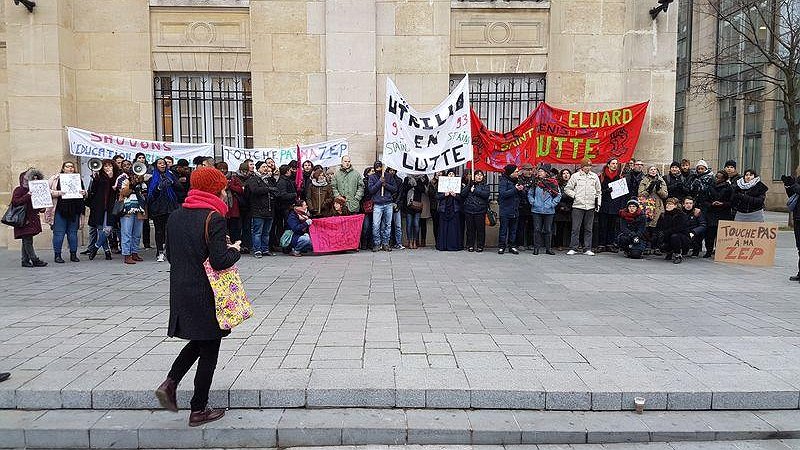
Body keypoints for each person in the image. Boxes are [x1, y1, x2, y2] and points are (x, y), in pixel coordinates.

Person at [155, 167, 240, 427]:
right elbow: (220, 260)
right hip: (207, 292)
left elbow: (170, 254)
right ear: (216, 189)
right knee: (210, 347)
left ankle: (170, 383)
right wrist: (235, 249)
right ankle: (198, 409)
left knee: (200, 341)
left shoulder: (176, 216)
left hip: (181, 288)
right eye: (223, 188)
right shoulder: (213, 217)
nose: (225, 192)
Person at [45, 161, 85, 263]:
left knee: (73, 233)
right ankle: (57, 255)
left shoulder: (78, 178)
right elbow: (46, 190)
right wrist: (58, 193)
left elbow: (84, 193)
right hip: (60, 210)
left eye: (72, 167)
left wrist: (84, 192)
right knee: (59, 233)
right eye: (67, 167)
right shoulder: (55, 178)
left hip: (74, 210)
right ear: (63, 169)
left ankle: (73, 254)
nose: (70, 168)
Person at [564, 158, 601, 256]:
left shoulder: (594, 177)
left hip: (591, 206)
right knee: (575, 228)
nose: (588, 168)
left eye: (589, 166)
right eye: (586, 166)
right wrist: (575, 195)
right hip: (578, 206)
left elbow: (598, 192)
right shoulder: (575, 176)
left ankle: (587, 248)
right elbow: (567, 189)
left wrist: (598, 204)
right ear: (582, 166)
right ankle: (573, 247)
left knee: (588, 228)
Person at [11, 168, 48, 267]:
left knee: (26, 240)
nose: (34, 180)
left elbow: (37, 204)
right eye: (32, 178)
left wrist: (42, 207)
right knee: (28, 240)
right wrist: (28, 195)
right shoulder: (19, 190)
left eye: (36, 178)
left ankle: (25, 260)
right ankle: (34, 259)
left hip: (32, 218)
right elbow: (15, 202)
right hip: (23, 219)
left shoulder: (36, 189)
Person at [148, 158, 181, 262]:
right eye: (160, 164)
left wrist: (172, 183)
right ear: (156, 165)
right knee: (159, 231)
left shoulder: (170, 175)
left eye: (164, 164)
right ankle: (160, 251)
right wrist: (158, 188)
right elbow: (150, 196)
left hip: (170, 207)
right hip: (157, 208)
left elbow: (180, 188)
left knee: (169, 230)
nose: (162, 165)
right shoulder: (152, 178)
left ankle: (169, 251)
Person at [86, 160, 118, 261]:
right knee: (100, 229)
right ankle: (107, 251)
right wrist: (95, 177)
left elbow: (116, 189)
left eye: (110, 166)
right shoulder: (98, 177)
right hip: (99, 207)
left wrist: (111, 177)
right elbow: (93, 190)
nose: (107, 168)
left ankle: (95, 247)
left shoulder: (116, 177)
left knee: (107, 230)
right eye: (105, 166)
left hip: (111, 207)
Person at [246, 161, 278, 258]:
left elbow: (275, 189)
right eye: (263, 167)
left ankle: (265, 249)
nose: (265, 168)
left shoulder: (269, 179)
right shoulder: (253, 179)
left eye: (266, 167)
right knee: (257, 232)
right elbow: (255, 190)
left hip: (269, 210)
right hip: (258, 210)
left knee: (266, 232)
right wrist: (268, 189)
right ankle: (257, 250)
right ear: (258, 168)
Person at [116, 164, 146, 264]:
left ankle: (134, 252)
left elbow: (144, 193)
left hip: (139, 208)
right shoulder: (123, 179)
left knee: (137, 233)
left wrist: (140, 182)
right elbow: (123, 193)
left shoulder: (141, 179)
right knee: (127, 232)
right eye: (126, 165)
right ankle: (126, 254)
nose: (128, 167)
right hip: (127, 208)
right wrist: (132, 184)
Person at [528, 164, 561, 255]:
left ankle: (548, 248)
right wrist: (533, 201)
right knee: (537, 229)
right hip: (536, 209)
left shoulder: (553, 182)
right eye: (539, 171)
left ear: (546, 173)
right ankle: (536, 248)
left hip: (549, 210)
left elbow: (558, 195)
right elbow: (530, 194)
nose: (539, 173)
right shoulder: (535, 182)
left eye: (541, 171)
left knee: (548, 230)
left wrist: (552, 204)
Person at [702, 170, 734, 258]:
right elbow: (705, 200)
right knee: (710, 234)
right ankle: (709, 250)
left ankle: (721, 251)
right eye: (716, 176)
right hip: (711, 213)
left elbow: (731, 202)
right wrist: (711, 204)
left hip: (723, 213)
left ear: (724, 179)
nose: (716, 178)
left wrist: (722, 204)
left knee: (721, 234)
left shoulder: (729, 188)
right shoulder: (710, 187)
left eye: (719, 177)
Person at [597, 158, 625, 253]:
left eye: (616, 164)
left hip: (614, 205)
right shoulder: (601, 177)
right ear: (608, 165)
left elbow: (622, 194)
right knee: (602, 225)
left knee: (612, 226)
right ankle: (601, 244)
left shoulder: (620, 177)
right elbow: (597, 191)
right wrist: (606, 191)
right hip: (604, 204)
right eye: (613, 163)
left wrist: (621, 206)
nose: (615, 165)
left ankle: (609, 244)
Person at [368, 161, 397, 252]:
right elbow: (371, 190)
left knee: (387, 225)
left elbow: (395, 189)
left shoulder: (388, 176)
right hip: (377, 204)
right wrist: (380, 182)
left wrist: (386, 185)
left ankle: (385, 243)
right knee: (376, 225)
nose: (378, 168)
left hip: (388, 203)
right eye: (377, 167)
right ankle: (377, 243)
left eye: (380, 167)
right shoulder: (372, 177)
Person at [462, 170, 489, 252]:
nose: (479, 177)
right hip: (469, 210)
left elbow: (486, 195)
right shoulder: (470, 185)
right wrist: (469, 186)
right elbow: (463, 194)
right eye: (477, 175)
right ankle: (470, 245)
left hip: (480, 210)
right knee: (470, 229)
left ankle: (480, 245)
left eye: (481, 175)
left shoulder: (485, 186)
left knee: (480, 229)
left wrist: (476, 191)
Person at [656, 197, 690, 264]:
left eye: (670, 204)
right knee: (660, 238)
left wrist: (666, 233)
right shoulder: (663, 215)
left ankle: (678, 255)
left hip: (681, 237)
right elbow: (659, 227)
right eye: (667, 204)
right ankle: (669, 251)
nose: (667, 205)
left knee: (674, 237)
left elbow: (679, 228)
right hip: (667, 235)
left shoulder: (681, 215)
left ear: (675, 206)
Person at [435, 172, 462, 251]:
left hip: (454, 210)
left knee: (453, 228)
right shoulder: (441, 184)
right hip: (444, 209)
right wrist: (444, 195)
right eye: (449, 174)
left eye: (452, 174)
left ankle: (453, 246)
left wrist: (455, 195)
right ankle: (443, 246)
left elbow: (461, 198)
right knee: (443, 228)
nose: (451, 175)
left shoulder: (458, 185)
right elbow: (437, 196)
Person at [497, 164, 521, 254]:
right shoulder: (504, 181)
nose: (517, 173)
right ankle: (502, 246)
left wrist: (521, 190)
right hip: (505, 209)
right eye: (516, 171)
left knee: (513, 230)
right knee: (503, 229)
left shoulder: (517, 181)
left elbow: (521, 195)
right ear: (511, 173)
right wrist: (515, 189)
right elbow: (503, 194)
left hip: (515, 209)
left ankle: (512, 246)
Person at [781, 173, 800, 283]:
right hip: (798, 217)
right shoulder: (798, 179)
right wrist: (788, 185)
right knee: (799, 247)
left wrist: (793, 185)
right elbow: (793, 196)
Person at [275, 164, 298, 252]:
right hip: (285, 208)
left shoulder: (287, 180)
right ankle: (285, 245)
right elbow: (282, 195)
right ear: (286, 171)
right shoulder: (282, 182)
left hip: (288, 207)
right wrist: (294, 194)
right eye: (289, 170)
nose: (291, 171)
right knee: (287, 227)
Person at [233, 161, 254, 254]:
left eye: (247, 171)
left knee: (247, 227)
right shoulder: (235, 178)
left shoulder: (251, 178)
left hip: (248, 205)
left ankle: (246, 245)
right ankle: (238, 245)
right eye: (244, 171)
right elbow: (235, 188)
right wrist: (241, 189)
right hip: (239, 205)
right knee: (238, 227)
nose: (245, 173)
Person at [638, 165, 668, 229]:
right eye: (651, 170)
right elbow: (640, 195)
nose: (653, 171)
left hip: (658, 205)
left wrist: (658, 190)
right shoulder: (644, 181)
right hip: (646, 205)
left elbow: (665, 195)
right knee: (647, 225)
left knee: (657, 225)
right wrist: (648, 190)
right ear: (648, 171)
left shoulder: (661, 180)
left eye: (655, 169)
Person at [515, 163, 535, 250]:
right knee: (520, 226)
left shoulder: (534, 179)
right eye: (527, 170)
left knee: (531, 226)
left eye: (531, 170)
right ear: (523, 170)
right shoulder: (518, 179)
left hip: (532, 205)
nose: (529, 172)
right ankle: (520, 243)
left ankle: (530, 243)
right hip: (521, 205)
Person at [403, 175, 426, 249]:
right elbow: (404, 189)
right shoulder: (407, 179)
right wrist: (410, 185)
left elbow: (422, 189)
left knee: (416, 224)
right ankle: (409, 241)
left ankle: (415, 241)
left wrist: (415, 185)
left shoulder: (419, 179)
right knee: (409, 224)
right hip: (408, 205)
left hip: (417, 205)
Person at [553, 169, 573, 250]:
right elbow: (556, 196)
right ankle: (559, 244)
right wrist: (561, 206)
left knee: (572, 228)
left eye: (567, 173)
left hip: (571, 208)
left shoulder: (574, 184)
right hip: (560, 209)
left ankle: (572, 245)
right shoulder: (558, 185)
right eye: (564, 173)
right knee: (560, 228)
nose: (566, 175)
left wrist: (569, 207)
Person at [385, 167, 405, 249]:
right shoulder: (384, 180)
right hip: (387, 203)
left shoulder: (399, 180)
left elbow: (400, 193)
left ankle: (398, 243)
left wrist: (396, 203)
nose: (392, 172)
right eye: (390, 170)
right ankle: (387, 243)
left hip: (396, 204)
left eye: (393, 170)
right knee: (387, 225)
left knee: (398, 225)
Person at [359, 167, 375, 250]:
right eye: (372, 171)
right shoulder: (364, 182)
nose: (373, 172)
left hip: (373, 206)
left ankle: (370, 243)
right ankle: (364, 243)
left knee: (373, 226)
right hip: (365, 207)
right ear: (367, 173)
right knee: (366, 226)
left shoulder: (375, 181)